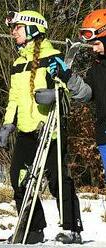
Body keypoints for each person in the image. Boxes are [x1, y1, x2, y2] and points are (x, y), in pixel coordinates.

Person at [0, 10, 84, 244]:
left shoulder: (53, 56)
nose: (13, 32)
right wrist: (8, 123)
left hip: (51, 129)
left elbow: (66, 92)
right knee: (19, 178)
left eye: (18, 27)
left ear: (33, 29)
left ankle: (71, 227)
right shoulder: (17, 63)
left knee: (57, 180)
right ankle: (33, 229)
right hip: (27, 130)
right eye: (13, 28)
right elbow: (14, 97)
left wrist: (54, 95)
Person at [78, 9, 106, 186]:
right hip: (104, 133)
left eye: (96, 43)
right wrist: (69, 79)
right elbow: (87, 95)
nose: (94, 49)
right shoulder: (96, 68)